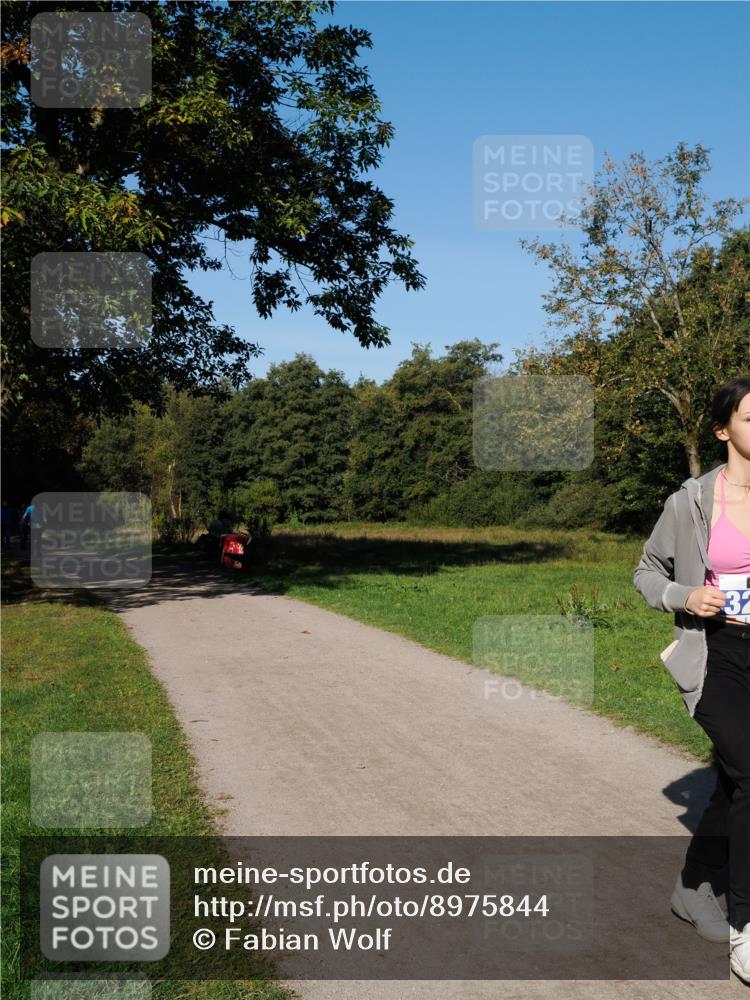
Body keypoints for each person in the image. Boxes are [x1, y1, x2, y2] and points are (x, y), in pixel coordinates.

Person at [633, 375, 750, 985]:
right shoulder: (692, 501)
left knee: (738, 782)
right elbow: (646, 571)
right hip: (719, 654)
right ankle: (746, 931)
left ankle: (692, 887)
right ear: (723, 429)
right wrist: (686, 595)